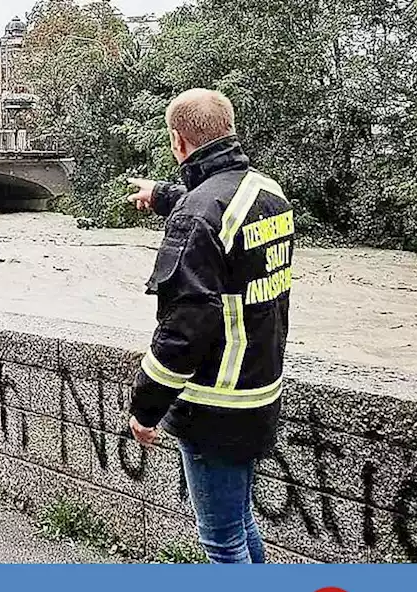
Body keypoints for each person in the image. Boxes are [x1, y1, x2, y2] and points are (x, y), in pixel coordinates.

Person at [126, 89, 293, 564]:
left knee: (222, 543)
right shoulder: (269, 192)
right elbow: (220, 211)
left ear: (178, 141)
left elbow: (185, 328)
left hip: (216, 402)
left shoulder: (199, 215)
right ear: (229, 128)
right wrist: (162, 196)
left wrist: (146, 407)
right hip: (260, 390)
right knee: (240, 524)